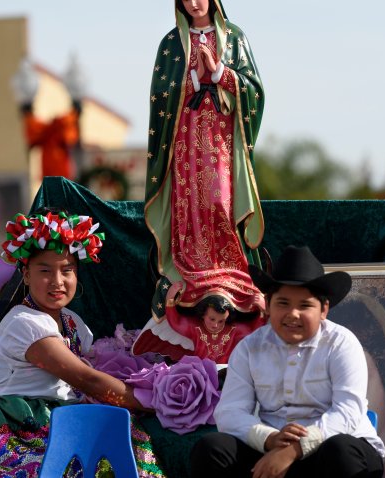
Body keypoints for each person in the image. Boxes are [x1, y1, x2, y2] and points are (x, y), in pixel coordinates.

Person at [0, 210, 165, 478]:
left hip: (60, 422)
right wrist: (151, 401)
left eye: (67, 270)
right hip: (14, 429)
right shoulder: (23, 321)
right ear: (26, 275)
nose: (57, 281)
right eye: (45, 271)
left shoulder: (74, 322)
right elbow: (86, 379)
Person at [136, 0, 267, 363]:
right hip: (184, 143)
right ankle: (191, 267)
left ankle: (227, 269)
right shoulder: (170, 44)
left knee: (220, 201)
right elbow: (160, 96)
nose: (194, 3)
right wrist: (193, 79)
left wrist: (220, 73)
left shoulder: (235, 38)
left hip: (222, 142)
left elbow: (255, 91)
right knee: (189, 202)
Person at [191, 245, 385, 478]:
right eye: (283, 303)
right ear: (268, 305)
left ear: (323, 310)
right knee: (211, 449)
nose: (293, 314)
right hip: (270, 449)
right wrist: (270, 439)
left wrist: (295, 449)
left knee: (341, 451)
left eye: (305, 305)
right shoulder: (249, 348)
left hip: (329, 450)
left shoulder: (342, 343)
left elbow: (347, 413)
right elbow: (230, 412)